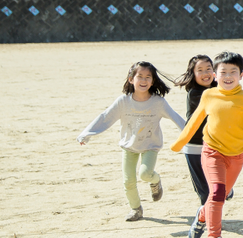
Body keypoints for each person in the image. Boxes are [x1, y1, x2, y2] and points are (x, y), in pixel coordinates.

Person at [172, 52, 243, 238]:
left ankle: (201, 216)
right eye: (223, 72)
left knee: (220, 196)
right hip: (212, 151)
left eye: (233, 72)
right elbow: (194, 121)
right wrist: (178, 144)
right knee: (216, 193)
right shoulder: (209, 95)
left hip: (236, 155)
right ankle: (214, 235)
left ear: (241, 75)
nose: (228, 76)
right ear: (216, 75)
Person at [79, 61, 186, 222]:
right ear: (131, 79)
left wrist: (194, 136)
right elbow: (105, 117)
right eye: (140, 76)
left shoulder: (158, 102)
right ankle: (136, 209)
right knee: (128, 181)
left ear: (153, 81)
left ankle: (155, 181)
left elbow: (176, 118)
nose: (144, 80)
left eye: (148, 77)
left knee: (145, 174)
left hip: (150, 145)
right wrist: (87, 133)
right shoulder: (123, 101)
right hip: (129, 146)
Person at [174, 55, 216, 206]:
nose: (205, 73)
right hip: (194, 145)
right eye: (200, 70)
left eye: (208, 69)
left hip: (215, 144)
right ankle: (209, 219)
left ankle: (225, 191)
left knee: (217, 185)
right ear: (193, 73)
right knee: (204, 190)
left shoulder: (220, 88)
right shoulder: (195, 93)